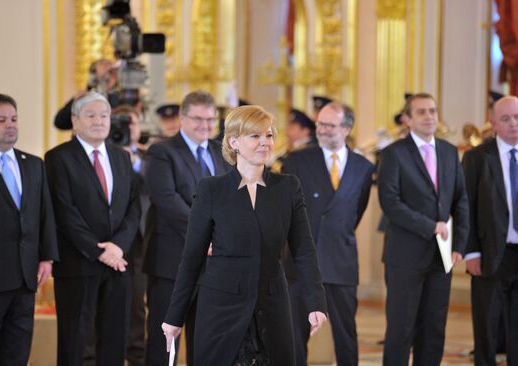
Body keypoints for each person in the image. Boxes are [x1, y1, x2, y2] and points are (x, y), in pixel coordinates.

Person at [161, 105, 328, 365]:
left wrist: (316, 302)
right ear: (233, 141)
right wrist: (174, 317)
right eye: (255, 136)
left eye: (269, 135)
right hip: (221, 308)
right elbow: (192, 258)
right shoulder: (211, 189)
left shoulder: (287, 187)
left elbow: (304, 249)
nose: (265, 143)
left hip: (273, 306)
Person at [45, 92, 140, 366]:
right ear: (75, 121)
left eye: (104, 115)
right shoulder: (58, 158)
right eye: (90, 115)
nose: (99, 121)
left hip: (118, 263)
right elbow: (64, 212)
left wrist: (118, 246)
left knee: (114, 340)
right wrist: (99, 251)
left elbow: (133, 206)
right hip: (78, 263)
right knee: (75, 341)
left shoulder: (121, 157)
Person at [378, 92, 469, 366]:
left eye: (432, 111)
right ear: (407, 119)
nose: (429, 116)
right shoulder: (394, 153)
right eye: (421, 112)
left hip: (441, 257)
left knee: (433, 329)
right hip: (404, 256)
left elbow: (461, 199)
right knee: (401, 329)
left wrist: (459, 245)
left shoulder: (449, 151)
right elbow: (390, 203)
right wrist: (430, 226)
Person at [282, 102, 374, 366]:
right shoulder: (297, 159)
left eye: (329, 125)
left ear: (346, 128)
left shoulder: (363, 167)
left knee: (346, 335)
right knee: (295, 336)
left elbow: (356, 211)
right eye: (319, 124)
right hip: (301, 263)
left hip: (341, 262)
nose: (321, 130)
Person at [143, 90, 231, 366]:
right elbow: (167, 200)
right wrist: (204, 234)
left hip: (213, 264)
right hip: (172, 262)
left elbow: (230, 198)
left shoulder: (221, 152)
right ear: (182, 118)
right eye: (198, 119)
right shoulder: (161, 152)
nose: (205, 125)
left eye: (210, 119)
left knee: (205, 340)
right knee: (165, 341)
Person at [0, 93, 59, 366]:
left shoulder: (33, 164)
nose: (10, 125)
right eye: (1, 120)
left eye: (14, 119)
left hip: (24, 278)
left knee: (17, 354)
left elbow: (44, 214)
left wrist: (47, 256)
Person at [463, 95, 518, 365]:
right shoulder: (476, 158)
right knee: (486, 324)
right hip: (489, 253)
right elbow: (466, 208)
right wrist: (471, 251)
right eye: (506, 119)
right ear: (493, 122)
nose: (514, 124)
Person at [112, 105, 149, 366]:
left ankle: (136, 357)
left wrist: (132, 161)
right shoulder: (105, 155)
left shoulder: (150, 157)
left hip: (143, 238)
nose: (127, 129)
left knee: (137, 303)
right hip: (111, 238)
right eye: (120, 124)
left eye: (131, 123)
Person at [54, 59, 117, 130]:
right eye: (102, 64)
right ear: (93, 73)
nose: (107, 66)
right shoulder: (85, 96)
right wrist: (75, 102)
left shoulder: (123, 95)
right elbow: (60, 123)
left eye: (109, 65)